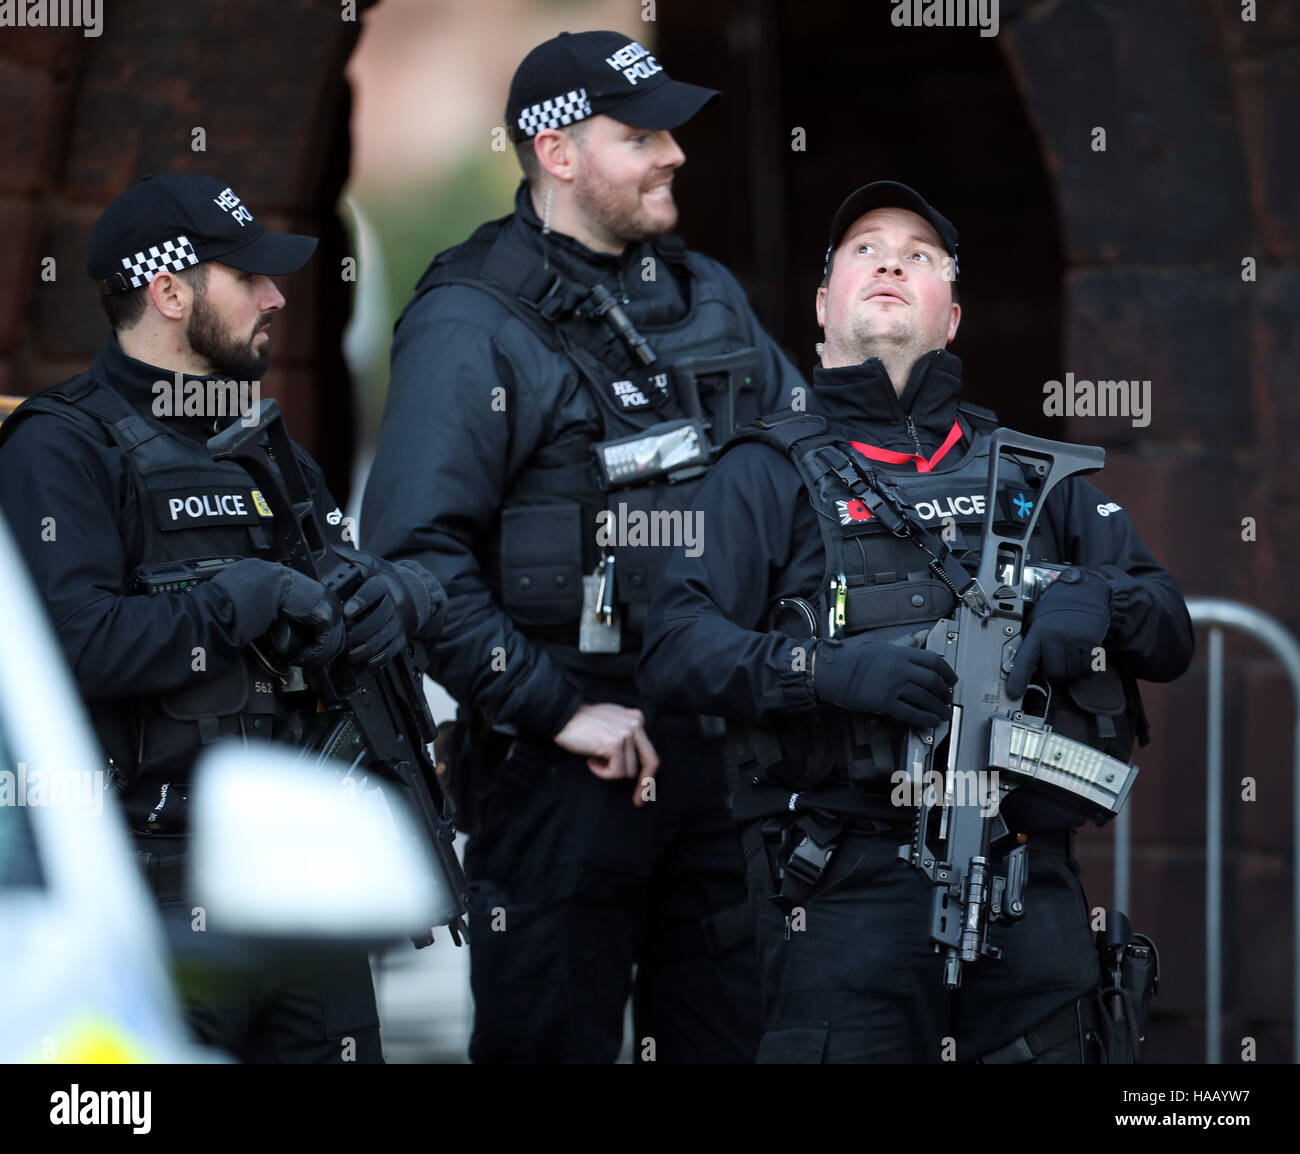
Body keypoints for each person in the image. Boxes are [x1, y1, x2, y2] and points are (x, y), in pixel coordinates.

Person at [637, 180, 1195, 1064]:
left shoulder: (1030, 476)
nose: (892, 260)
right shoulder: (761, 473)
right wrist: (821, 673)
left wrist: (1101, 601)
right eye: (864, 249)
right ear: (823, 307)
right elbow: (673, 648)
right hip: (841, 885)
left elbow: (1169, 626)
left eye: (920, 255)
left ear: (953, 316)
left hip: (1029, 881)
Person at [362, 30, 804, 1063]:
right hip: (560, 781)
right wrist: (559, 711)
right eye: (639, 134)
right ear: (557, 153)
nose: (674, 153)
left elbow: (804, 474)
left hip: (722, 763)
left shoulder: (707, 295)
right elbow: (415, 561)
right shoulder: (472, 320)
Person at [0, 173, 446, 1063]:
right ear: (169, 292)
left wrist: (391, 600)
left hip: (296, 877)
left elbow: (351, 581)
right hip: (149, 883)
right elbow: (68, 647)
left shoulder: (263, 446)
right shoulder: (62, 448)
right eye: (247, 277)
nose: (278, 297)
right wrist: (230, 605)